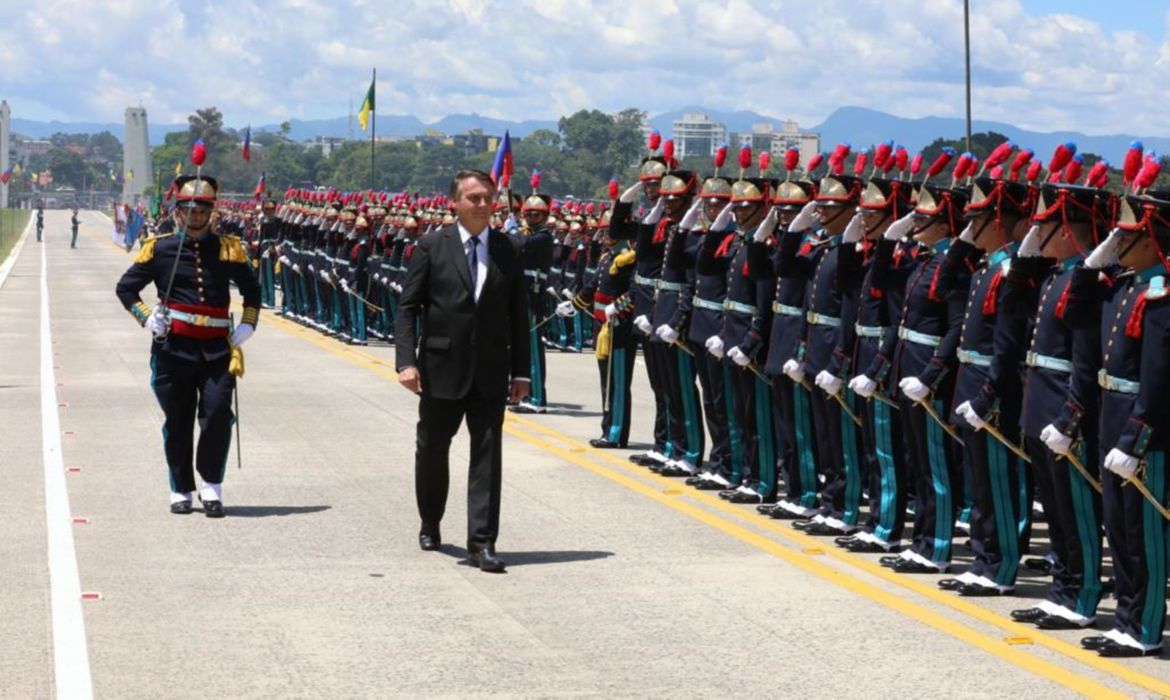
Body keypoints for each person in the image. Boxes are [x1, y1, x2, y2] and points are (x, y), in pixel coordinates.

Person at [395, 169, 531, 573]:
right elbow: (408, 307)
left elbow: (518, 315)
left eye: (488, 197)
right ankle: (430, 519)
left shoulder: (508, 248)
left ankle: (481, 542)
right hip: (440, 368)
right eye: (473, 198)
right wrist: (406, 361)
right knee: (432, 450)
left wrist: (522, 372)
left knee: (487, 457)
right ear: (454, 202)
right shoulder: (432, 245)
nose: (483, 204)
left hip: (491, 370)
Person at [114, 174, 261, 517]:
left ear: (212, 211)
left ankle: (211, 484)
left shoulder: (228, 249)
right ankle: (180, 488)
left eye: (202, 209)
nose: (195, 215)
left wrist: (248, 324)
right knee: (178, 420)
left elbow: (253, 291)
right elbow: (126, 288)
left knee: (217, 416)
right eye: (189, 209)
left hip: (216, 349)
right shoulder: (160, 247)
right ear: (178, 211)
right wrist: (147, 317)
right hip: (174, 348)